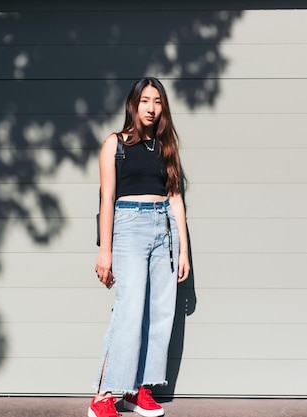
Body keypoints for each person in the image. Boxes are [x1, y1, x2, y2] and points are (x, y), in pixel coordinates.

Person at [89, 77, 190, 417]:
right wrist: (105, 250)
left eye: (157, 101)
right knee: (130, 310)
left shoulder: (165, 147)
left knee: (161, 312)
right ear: (134, 104)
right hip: (129, 227)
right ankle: (103, 396)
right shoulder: (114, 144)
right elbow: (107, 199)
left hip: (164, 228)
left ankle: (139, 390)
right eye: (145, 100)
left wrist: (184, 250)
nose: (151, 107)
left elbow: (175, 198)